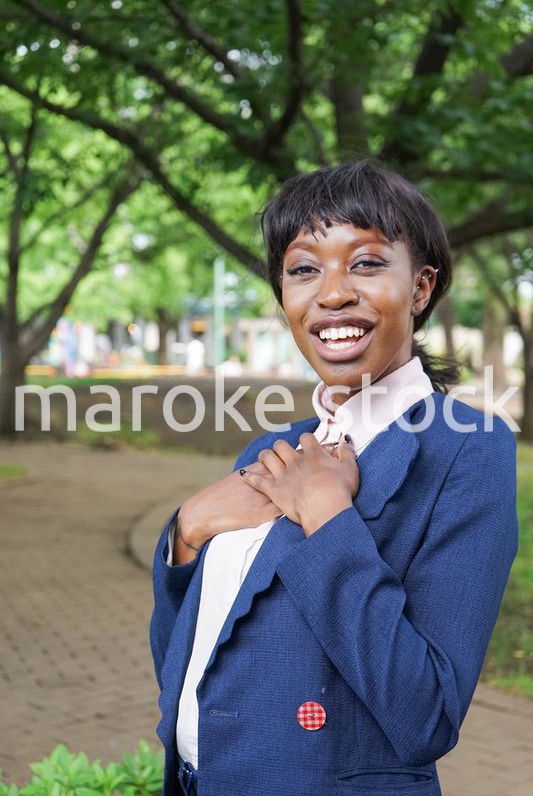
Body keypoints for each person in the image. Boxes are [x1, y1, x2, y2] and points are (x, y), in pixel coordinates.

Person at [150, 160, 519, 796]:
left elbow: (426, 716)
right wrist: (187, 532)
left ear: (421, 287)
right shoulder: (272, 449)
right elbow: (188, 663)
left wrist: (328, 517)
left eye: (367, 263)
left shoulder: (467, 448)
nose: (333, 293)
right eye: (303, 270)